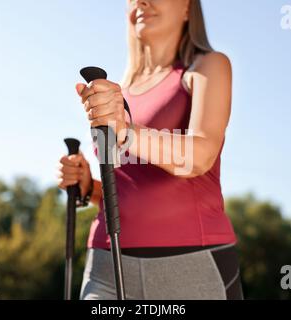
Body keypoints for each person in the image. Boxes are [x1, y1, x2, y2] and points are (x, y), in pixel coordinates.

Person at [58, 0, 243, 300]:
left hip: (190, 267)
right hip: (106, 266)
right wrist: (87, 186)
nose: (141, 1)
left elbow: (199, 157)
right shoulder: (121, 92)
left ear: (187, 7)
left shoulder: (207, 66)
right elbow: (125, 188)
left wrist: (126, 131)